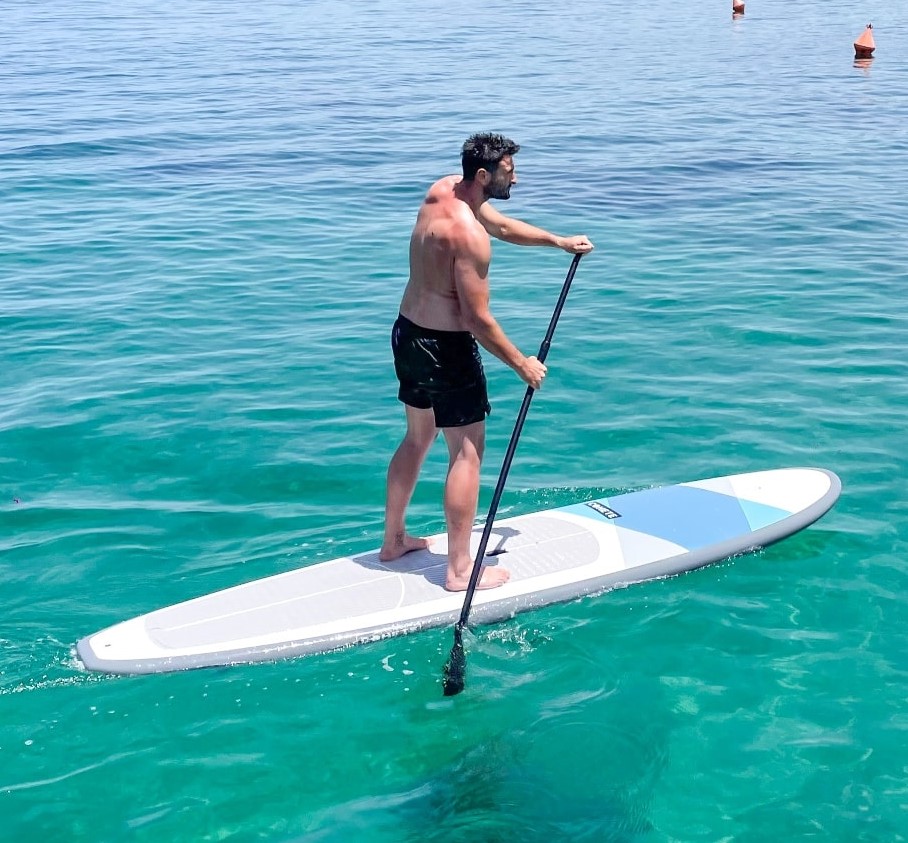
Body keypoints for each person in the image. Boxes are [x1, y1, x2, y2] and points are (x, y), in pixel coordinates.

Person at [380, 132, 594, 591]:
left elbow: (500, 225)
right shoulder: (469, 238)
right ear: (484, 174)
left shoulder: (443, 191)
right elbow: (476, 320)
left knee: (418, 437)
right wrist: (522, 364)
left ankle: (393, 541)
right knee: (467, 450)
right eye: (509, 171)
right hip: (446, 348)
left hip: (407, 334)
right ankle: (459, 571)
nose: (516, 177)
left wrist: (556, 241)